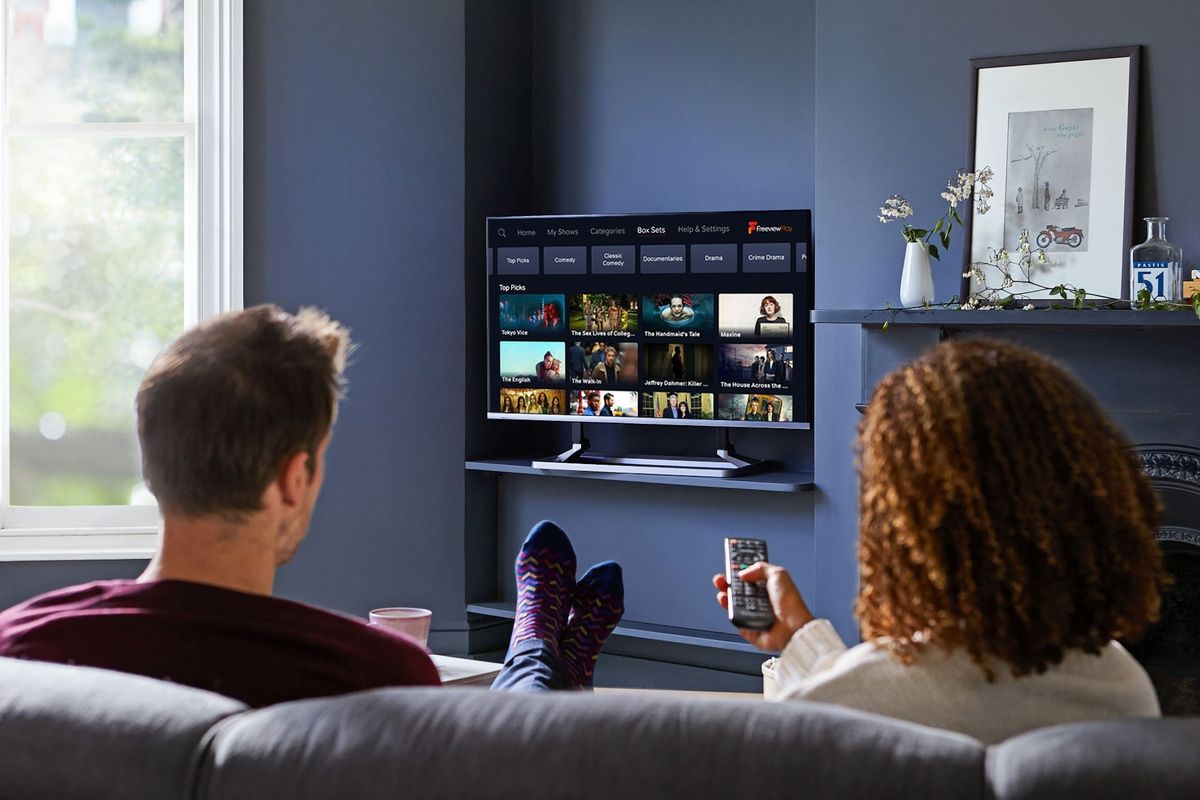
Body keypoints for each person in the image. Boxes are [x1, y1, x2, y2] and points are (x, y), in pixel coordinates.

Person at [0, 306, 625, 705]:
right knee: (515, 730)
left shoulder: (17, 650)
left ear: (151, 462)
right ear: (293, 478)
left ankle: (542, 653)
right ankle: (537, 653)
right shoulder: (377, 676)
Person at [713, 339, 1167, 744]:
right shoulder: (1123, 690)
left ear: (904, 524)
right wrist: (798, 636)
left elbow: (868, 696)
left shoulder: (835, 708)